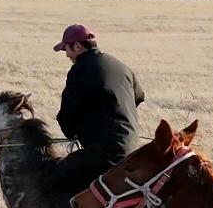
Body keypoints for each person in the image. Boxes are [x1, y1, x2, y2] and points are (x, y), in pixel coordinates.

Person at [50, 23, 145, 198]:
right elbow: (139, 96)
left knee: (56, 177)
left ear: (77, 46)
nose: (67, 55)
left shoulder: (81, 69)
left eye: (67, 49)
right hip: (131, 149)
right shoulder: (119, 65)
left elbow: (67, 115)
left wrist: (72, 132)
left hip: (104, 153)